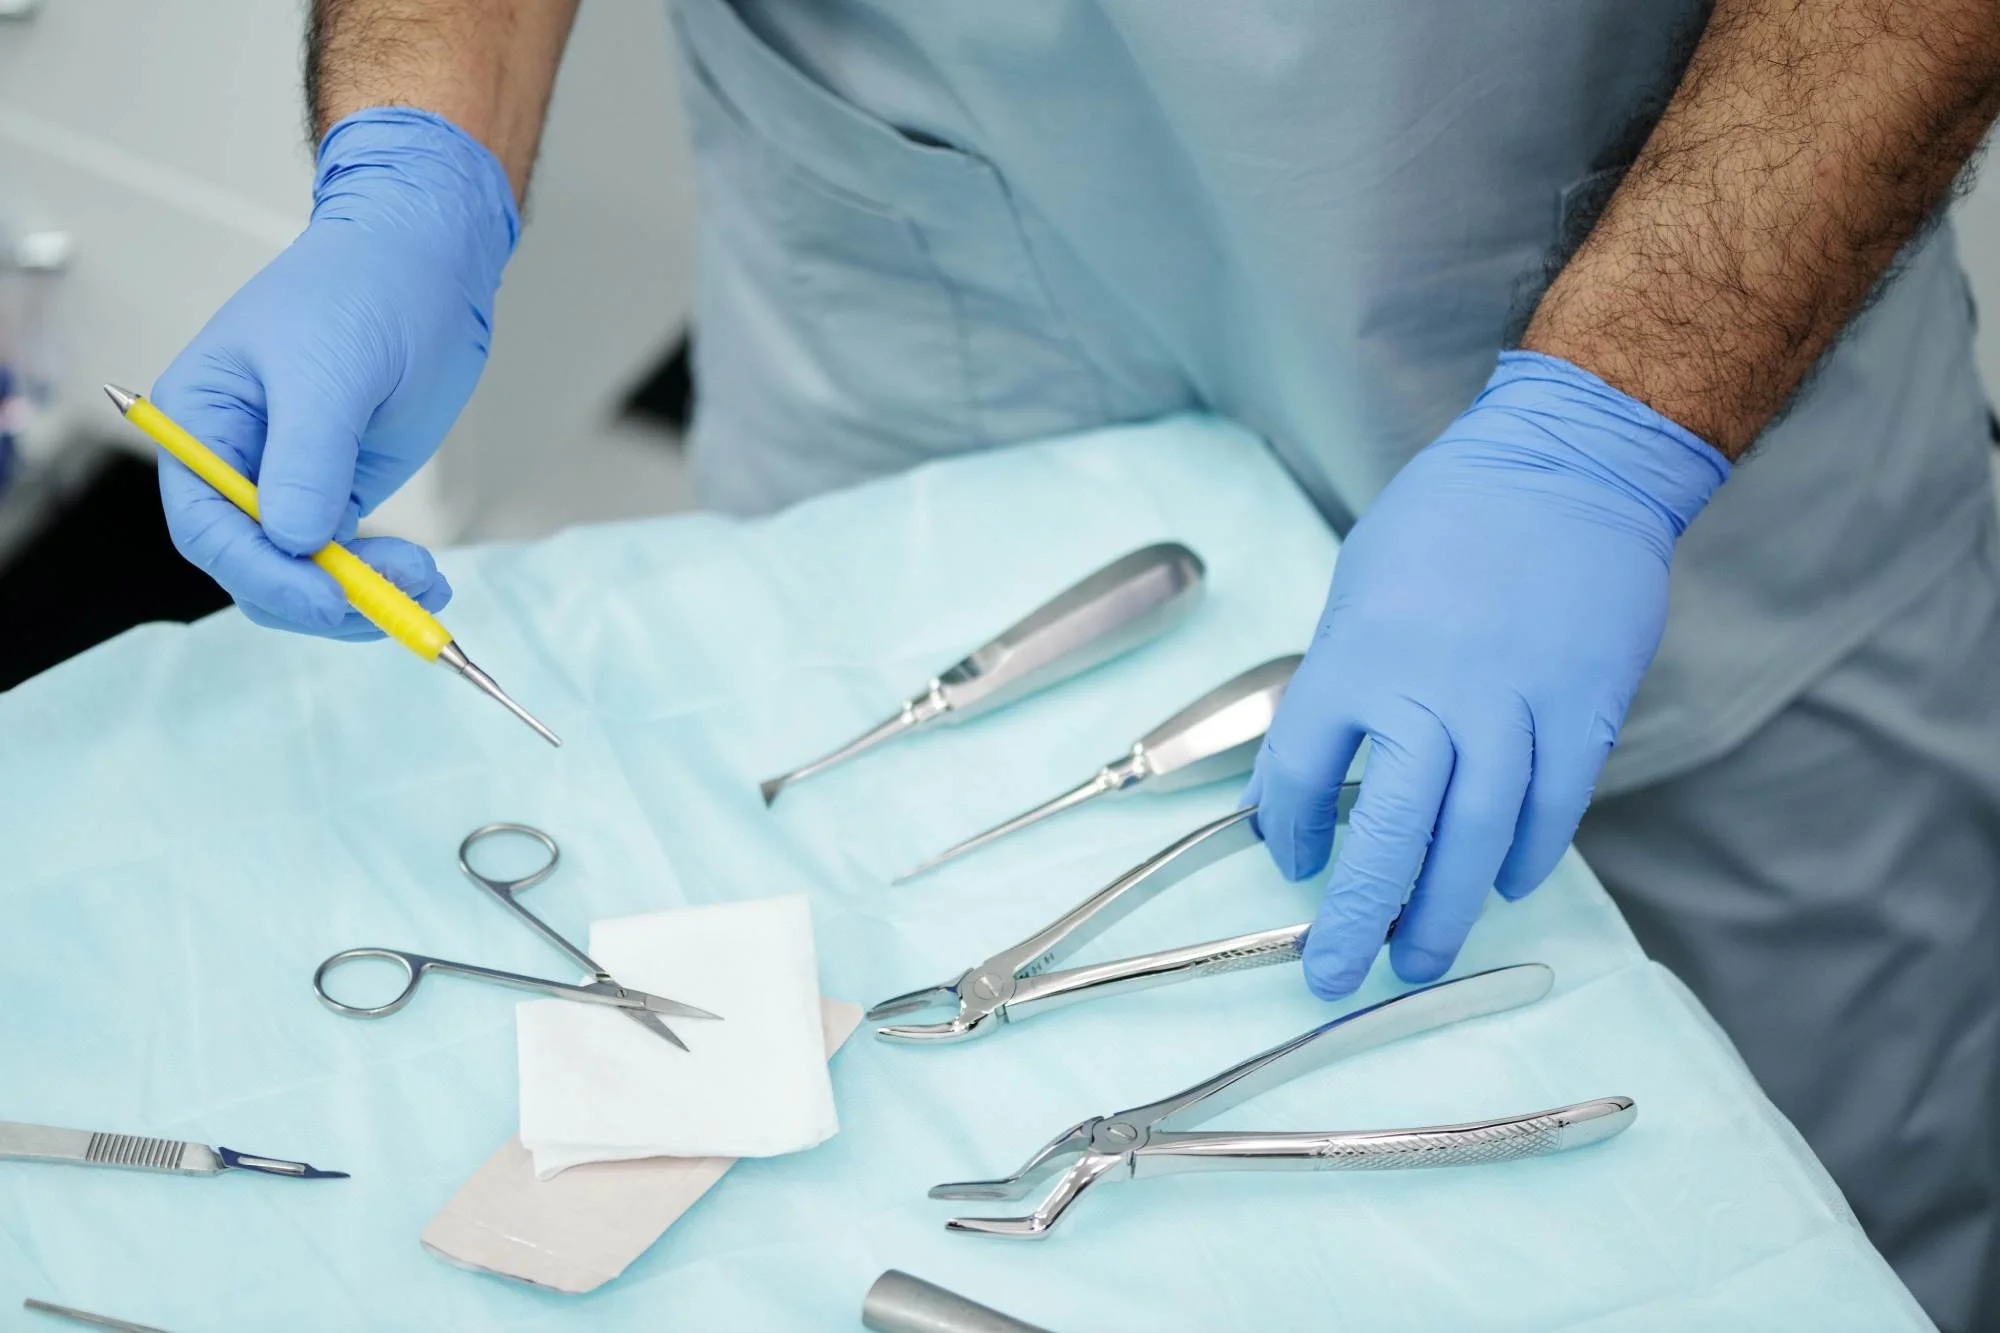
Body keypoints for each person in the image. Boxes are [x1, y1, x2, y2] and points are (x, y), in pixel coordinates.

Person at [151, 1, 2000, 1323]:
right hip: (942, 304)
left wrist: (1608, 438)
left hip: (1687, 413)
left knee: (1808, 1227)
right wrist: (413, 167)